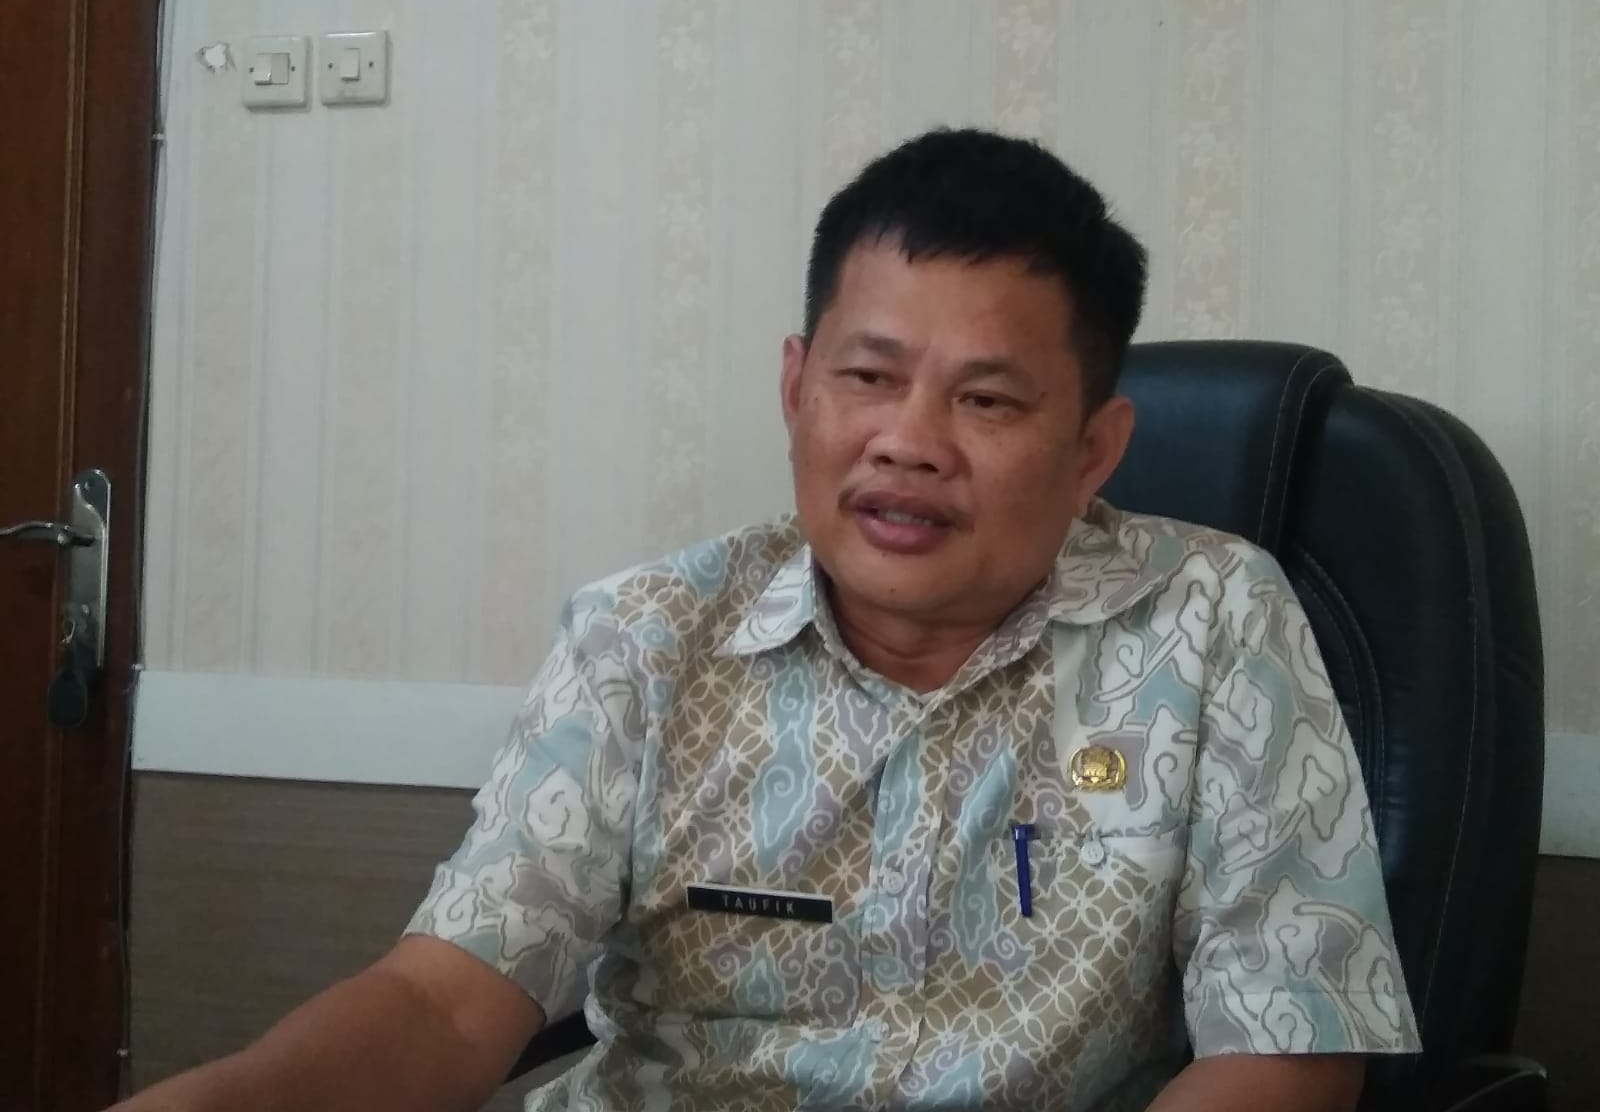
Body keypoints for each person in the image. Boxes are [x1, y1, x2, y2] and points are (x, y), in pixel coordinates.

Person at [115, 128, 1419, 1112]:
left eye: (986, 401)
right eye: (869, 376)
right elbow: (447, 1003)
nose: (908, 443)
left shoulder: (1209, 621)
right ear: (797, 391)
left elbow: (1288, 1049)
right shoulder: (645, 637)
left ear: (1093, 449)